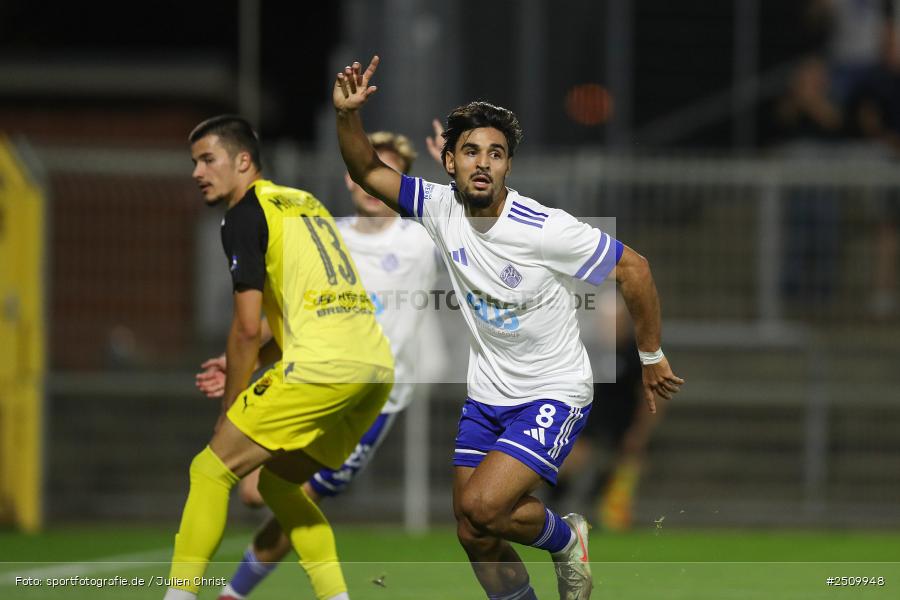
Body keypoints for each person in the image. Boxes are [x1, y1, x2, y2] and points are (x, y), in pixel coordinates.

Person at [333, 56, 684, 600]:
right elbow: (366, 171)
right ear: (449, 161)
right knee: (472, 530)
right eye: (471, 151)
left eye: (496, 154)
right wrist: (347, 117)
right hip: (487, 394)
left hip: (554, 391)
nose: (483, 163)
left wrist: (650, 354)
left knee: (483, 507)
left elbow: (634, 268)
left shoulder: (543, 228)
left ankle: (566, 540)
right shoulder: (437, 206)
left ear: (507, 168)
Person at [193, 130, 442, 600]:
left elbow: (474, 225)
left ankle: (233, 593)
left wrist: (455, 173)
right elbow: (295, 306)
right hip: (313, 375)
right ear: (351, 178)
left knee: (289, 492)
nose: (373, 184)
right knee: (255, 491)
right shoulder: (329, 232)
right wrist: (244, 358)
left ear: (400, 182)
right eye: (366, 173)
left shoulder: (421, 240)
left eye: (386, 175)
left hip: (376, 398)